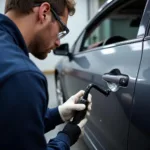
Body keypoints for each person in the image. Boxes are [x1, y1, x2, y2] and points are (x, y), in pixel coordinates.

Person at [0, 0, 92, 150]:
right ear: (44, 13)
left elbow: (11, 127)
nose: (58, 42)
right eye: (61, 29)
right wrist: (66, 137)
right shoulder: (23, 76)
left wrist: (58, 114)